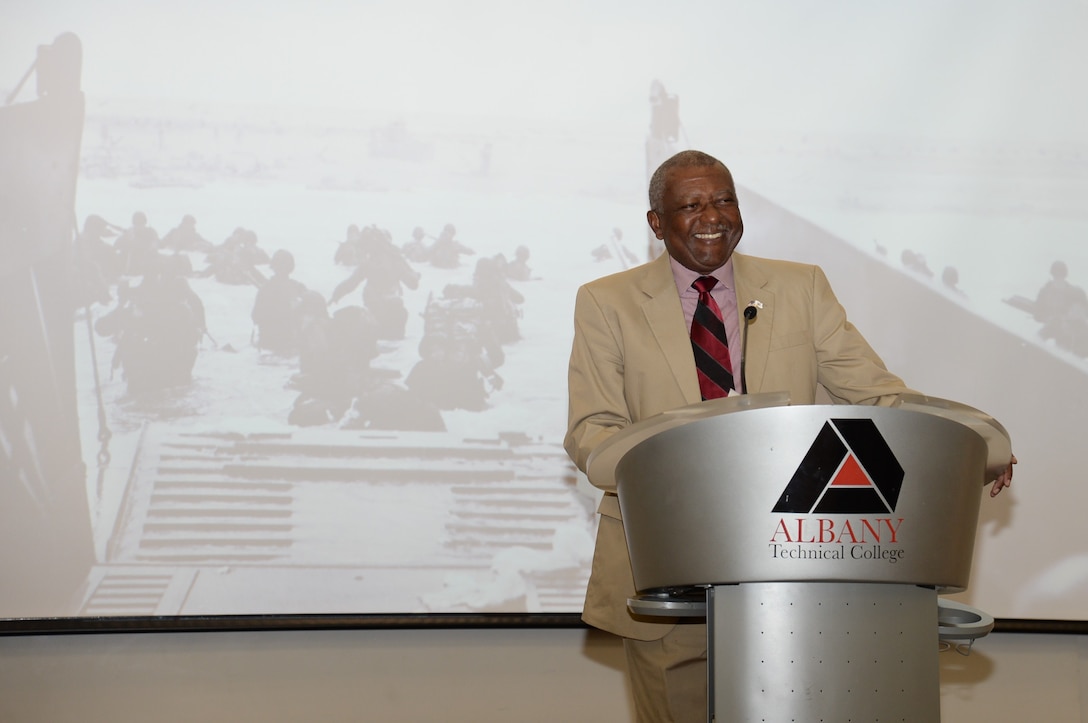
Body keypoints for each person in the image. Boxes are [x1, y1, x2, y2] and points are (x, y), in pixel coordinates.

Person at [563, 149, 1015, 723]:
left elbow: (879, 396)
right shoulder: (607, 302)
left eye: (724, 199)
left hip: (799, 580)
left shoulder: (800, 287)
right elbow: (592, 432)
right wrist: (673, 453)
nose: (713, 216)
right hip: (664, 575)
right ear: (656, 223)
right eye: (692, 205)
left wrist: (972, 440)